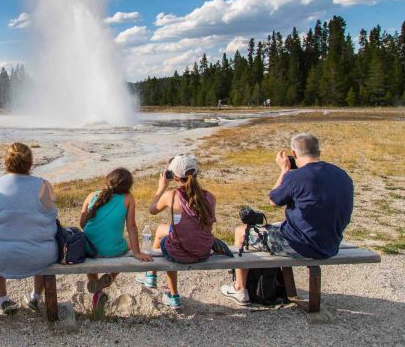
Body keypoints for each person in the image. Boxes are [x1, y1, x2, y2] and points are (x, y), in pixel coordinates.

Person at [221, 133, 353, 305]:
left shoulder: (296, 176)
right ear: (318, 151)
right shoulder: (341, 174)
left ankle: (239, 289)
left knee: (241, 232)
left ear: (295, 153)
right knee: (276, 226)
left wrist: (284, 170)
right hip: (330, 242)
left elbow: (273, 200)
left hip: (303, 245)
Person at [0, 142, 58, 314]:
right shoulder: (44, 185)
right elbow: (52, 210)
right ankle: (35, 297)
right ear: (31, 163)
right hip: (38, 255)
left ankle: (3, 299)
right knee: (40, 238)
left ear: (6, 163)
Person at [137, 154, 216, 309]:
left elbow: (152, 210)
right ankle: (150, 275)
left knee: (170, 243)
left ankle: (172, 294)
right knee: (162, 229)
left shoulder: (171, 196)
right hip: (204, 250)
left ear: (174, 177)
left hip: (180, 253)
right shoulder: (210, 197)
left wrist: (161, 188)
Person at [79, 168, 153, 314]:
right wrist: (136, 252)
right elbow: (131, 226)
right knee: (128, 247)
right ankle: (110, 277)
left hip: (89, 249)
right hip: (112, 251)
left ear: (108, 179)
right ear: (128, 186)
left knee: (89, 251)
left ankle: (95, 286)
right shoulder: (128, 198)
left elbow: (82, 224)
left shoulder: (92, 195)